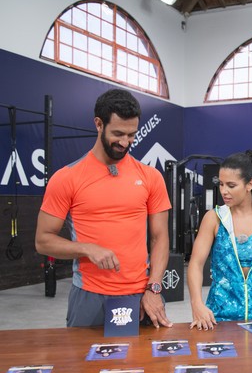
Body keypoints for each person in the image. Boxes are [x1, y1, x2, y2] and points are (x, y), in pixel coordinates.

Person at [35, 88, 172, 329]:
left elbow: (160, 237)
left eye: (131, 135)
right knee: (82, 355)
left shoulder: (151, 177)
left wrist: (154, 287)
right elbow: (43, 241)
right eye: (118, 134)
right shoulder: (66, 178)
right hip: (89, 295)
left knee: (148, 355)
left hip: (140, 295)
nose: (125, 142)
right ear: (99, 124)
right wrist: (87, 248)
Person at [187, 150, 252, 329]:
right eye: (221, 184)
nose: (224, 191)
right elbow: (196, 264)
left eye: (231, 185)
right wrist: (196, 304)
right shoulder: (215, 218)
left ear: (249, 184)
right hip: (218, 318)